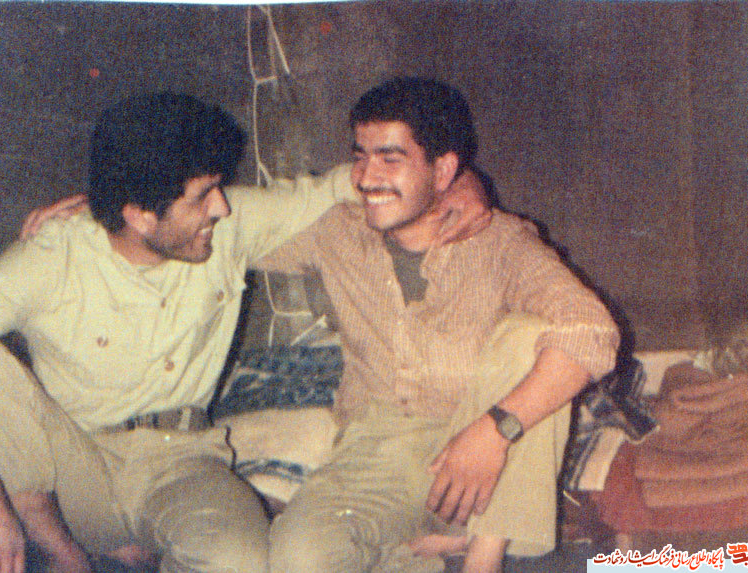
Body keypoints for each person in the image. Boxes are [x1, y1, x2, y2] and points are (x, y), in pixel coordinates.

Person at [0, 91, 490, 573]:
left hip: (180, 460)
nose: (222, 207)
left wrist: (464, 183)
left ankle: (133, 548)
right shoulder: (53, 255)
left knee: (238, 561)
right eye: (203, 196)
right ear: (139, 216)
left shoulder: (230, 226)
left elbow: (349, 185)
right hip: (74, 471)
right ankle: (60, 552)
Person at [256, 77, 620, 573]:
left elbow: (593, 330)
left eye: (390, 159)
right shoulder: (335, 232)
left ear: (445, 169)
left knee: (531, 337)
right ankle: (423, 546)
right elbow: (231, 232)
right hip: (377, 452)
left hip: (486, 445)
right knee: (297, 555)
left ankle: (481, 555)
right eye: (360, 157)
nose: (365, 178)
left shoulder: (500, 242)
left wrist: (494, 431)